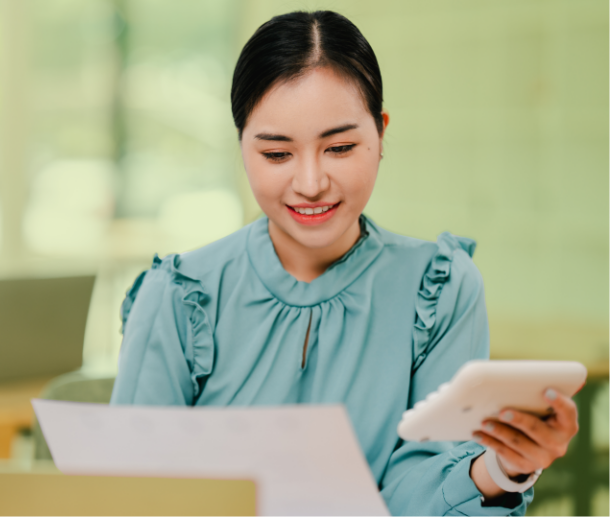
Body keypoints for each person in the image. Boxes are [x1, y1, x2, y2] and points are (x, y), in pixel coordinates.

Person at [110, 10, 578, 515]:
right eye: (277, 154)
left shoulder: (440, 289)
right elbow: (126, 491)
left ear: (381, 135)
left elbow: (423, 490)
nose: (311, 184)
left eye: (339, 147)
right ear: (242, 147)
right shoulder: (179, 294)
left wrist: (504, 468)